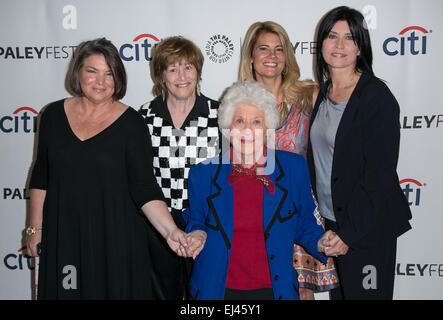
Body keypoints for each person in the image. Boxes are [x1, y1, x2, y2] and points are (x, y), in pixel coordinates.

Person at [25, 38, 188, 299]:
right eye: (92, 71)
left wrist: (171, 231)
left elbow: (144, 188)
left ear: (118, 78)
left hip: (116, 240)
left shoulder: (132, 123)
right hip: (65, 237)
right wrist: (35, 229)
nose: (100, 81)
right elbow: (42, 174)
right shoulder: (53, 115)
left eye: (109, 73)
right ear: (78, 72)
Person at [184, 79, 332, 300]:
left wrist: (322, 242)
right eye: (239, 121)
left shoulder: (293, 167)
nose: (247, 130)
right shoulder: (202, 174)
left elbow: (305, 224)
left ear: (268, 127)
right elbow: (196, 220)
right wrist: (196, 234)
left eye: (256, 122)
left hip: (274, 290)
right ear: (227, 127)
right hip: (216, 290)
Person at [307, 6, 412, 300]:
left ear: (360, 46)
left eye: (349, 38)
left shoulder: (375, 96)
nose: (339, 45)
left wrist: (348, 235)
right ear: (321, 43)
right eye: (332, 36)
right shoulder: (324, 93)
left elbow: (379, 176)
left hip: (367, 230)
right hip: (335, 225)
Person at [238, 21, 339, 299]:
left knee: (302, 295)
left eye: (279, 49)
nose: (272, 56)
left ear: (287, 56)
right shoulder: (240, 103)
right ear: (250, 56)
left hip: (301, 210)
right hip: (257, 213)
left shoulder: (310, 96)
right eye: (264, 48)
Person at [139, 36, 221, 299]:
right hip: (159, 226)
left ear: (198, 71)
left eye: (188, 67)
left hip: (208, 223)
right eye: (172, 68)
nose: (181, 75)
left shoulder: (219, 114)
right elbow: (140, 177)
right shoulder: (144, 117)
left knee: (206, 297)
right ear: (161, 75)